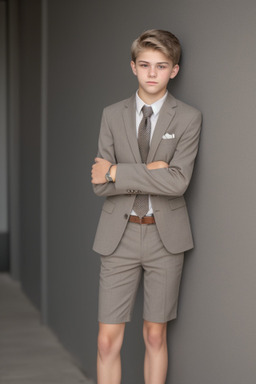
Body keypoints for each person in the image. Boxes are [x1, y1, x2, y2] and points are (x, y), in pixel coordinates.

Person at [91, 29, 202, 384]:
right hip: (117, 238)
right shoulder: (111, 115)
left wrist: (117, 173)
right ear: (133, 67)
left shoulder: (188, 118)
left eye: (161, 65)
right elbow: (97, 184)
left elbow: (178, 183)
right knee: (107, 343)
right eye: (144, 65)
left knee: (155, 336)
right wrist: (152, 171)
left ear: (174, 70)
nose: (152, 73)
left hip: (165, 240)